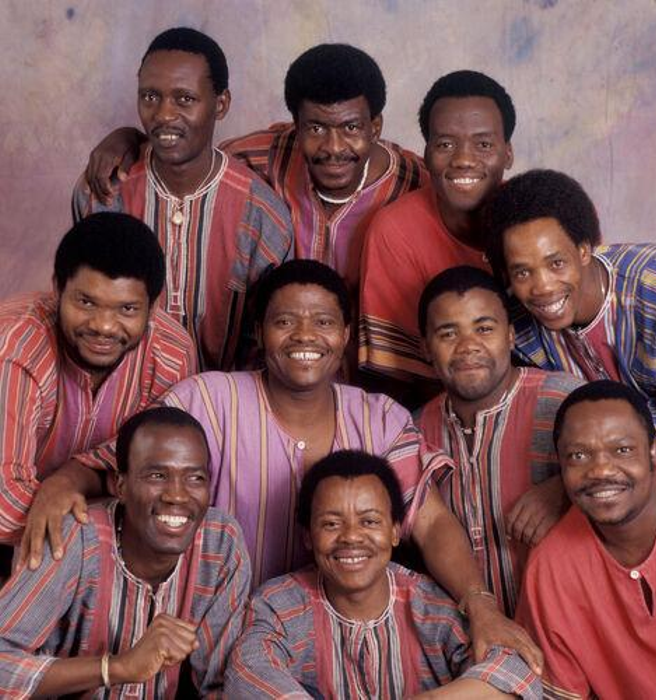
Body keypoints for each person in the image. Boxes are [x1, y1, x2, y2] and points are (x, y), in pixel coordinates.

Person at [25, 260, 543, 672]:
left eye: (322, 322)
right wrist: (61, 481)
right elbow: (119, 464)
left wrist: (481, 606)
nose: (303, 336)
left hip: (329, 635)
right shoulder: (206, 399)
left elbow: (428, 522)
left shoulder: (379, 417)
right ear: (260, 333)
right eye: (284, 320)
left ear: (344, 336)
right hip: (201, 634)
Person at [82, 42, 426, 296]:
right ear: (296, 124)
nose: (333, 148)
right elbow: (185, 154)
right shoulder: (259, 158)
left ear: (375, 126)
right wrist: (128, 140)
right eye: (316, 128)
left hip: (374, 378)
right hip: (275, 367)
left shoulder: (414, 184)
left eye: (351, 128)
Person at [227, 450, 541, 699]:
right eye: (331, 524)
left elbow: (515, 671)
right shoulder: (278, 604)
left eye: (369, 522)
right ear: (308, 536)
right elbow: (249, 672)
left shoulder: (428, 604)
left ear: (395, 531)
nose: (351, 537)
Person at [73, 27, 293, 371]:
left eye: (184, 99)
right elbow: (82, 309)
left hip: (222, 408)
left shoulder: (262, 213)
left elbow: (266, 344)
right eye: (149, 97)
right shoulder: (104, 193)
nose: (162, 115)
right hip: (117, 399)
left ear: (221, 104)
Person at [0, 406, 251, 698]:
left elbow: (223, 682)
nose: (177, 495)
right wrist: (118, 668)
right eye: (157, 475)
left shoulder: (220, 542)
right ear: (121, 486)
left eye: (195, 478)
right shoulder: (75, 538)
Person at [0, 212, 195, 550]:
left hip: (89, 549)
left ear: (153, 306)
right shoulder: (15, 345)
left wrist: (71, 478)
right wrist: (90, 498)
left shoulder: (172, 355)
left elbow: (149, 469)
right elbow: (3, 504)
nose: (104, 326)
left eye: (127, 309)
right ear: (57, 288)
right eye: (86, 302)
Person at [484, 168, 656, 462]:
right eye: (522, 272)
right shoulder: (518, 329)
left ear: (584, 250)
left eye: (556, 263)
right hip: (619, 475)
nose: (543, 287)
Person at [416, 266, 583, 617]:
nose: (468, 346)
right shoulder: (413, 432)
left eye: (484, 328)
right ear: (426, 347)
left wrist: (567, 487)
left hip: (569, 627)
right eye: (448, 334)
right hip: (468, 638)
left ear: (509, 336)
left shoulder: (565, 400)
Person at [517, 380, 656, 699]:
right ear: (560, 465)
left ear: (653, 448)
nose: (600, 469)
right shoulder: (550, 570)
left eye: (623, 450)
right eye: (578, 455)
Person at [359, 71, 514, 405]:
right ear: (426, 154)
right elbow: (394, 377)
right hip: (437, 409)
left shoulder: (539, 219)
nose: (463, 160)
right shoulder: (395, 230)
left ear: (508, 154)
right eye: (445, 144)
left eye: (483, 144)